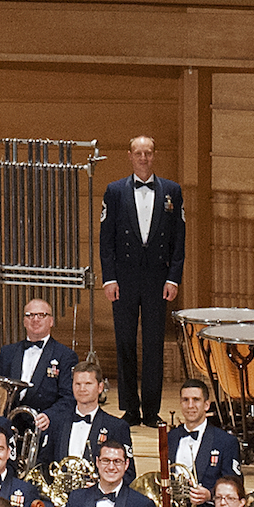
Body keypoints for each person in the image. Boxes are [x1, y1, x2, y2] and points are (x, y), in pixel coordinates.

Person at [99, 135, 185, 424]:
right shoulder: (114, 191)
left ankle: (151, 410)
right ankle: (130, 409)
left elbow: (179, 241)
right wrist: (109, 278)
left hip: (157, 280)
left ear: (154, 154)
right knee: (124, 342)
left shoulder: (172, 190)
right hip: (123, 279)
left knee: (154, 345)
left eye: (148, 153)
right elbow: (106, 240)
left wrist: (173, 279)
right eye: (139, 153)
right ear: (130, 155)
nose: (144, 158)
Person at [0, 297, 77, 414]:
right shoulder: (7, 352)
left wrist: (48, 417)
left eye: (41, 315)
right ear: (24, 321)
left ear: (51, 321)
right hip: (9, 423)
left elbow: (68, 397)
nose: (35, 319)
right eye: (30, 315)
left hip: (45, 425)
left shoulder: (65, 355)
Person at [38, 364, 132, 468]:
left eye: (88, 384)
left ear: (100, 387)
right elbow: (43, 463)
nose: (82, 389)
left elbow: (128, 473)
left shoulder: (117, 427)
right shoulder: (56, 422)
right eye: (77, 384)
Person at [162, 379, 239, 503]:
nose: (190, 405)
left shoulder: (225, 441)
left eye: (196, 400)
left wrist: (210, 494)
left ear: (206, 405)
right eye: (185, 400)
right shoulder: (170, 437)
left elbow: (235, 485)